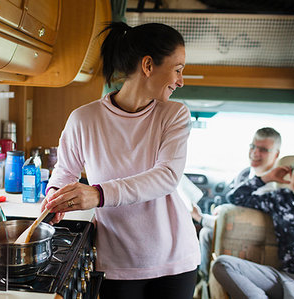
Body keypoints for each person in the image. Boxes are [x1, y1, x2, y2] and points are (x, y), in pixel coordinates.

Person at [41, 22, 200, 299]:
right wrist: (56, 196)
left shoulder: (174, 115)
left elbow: (166, 177)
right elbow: (65, 171)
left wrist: (98, 194)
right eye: (178, 69)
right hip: (118, 261)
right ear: (148, 65)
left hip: (174, 259)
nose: (180, 80)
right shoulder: (84, 118)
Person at [212, 152, 294, 299]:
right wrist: (266, 178)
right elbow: (236, 197)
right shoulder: (280, 199)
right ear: (291, 174)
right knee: (222, 264)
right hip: (285, 277)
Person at [192, 127, 282, 280]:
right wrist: (223, 209)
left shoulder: (270, 191)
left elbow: (239, 227)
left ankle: (204, 279)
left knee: (206, 233)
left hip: (246, 243)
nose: (255, 153)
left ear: (276, 154)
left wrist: (200, 218)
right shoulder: (245, 174)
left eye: (263, 149)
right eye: (253, 146)